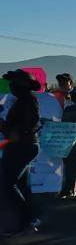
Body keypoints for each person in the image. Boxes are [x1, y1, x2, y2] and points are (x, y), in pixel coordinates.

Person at [0, 70, 42, 235]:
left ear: (21, 85)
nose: (11, 87)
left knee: (8, 183)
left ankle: (26, 221)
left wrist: (2, 124)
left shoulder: (27, 102)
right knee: (22, 185)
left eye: (13, 84)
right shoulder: (25, 100)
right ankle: (31, 218)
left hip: (22, 147)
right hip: (24, 146)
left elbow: (18, 132)